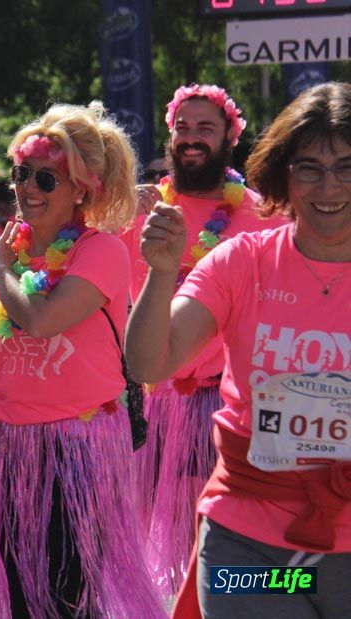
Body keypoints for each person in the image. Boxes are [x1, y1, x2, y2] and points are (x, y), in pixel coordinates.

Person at [126, 81, 351, 619]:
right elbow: (148, 363)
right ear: (283, 173)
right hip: (248, 545)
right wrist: (161, 275)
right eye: (309, 167)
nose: (329, 186)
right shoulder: (242, 261)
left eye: (346, 166)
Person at [0, 102, 163, 618]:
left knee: (67, 591)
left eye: (47, 178)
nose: (28, 189)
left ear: (81, 189)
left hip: (80, 446)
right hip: (12, 444)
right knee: (22, 590)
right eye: (22, 174)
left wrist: (2, 271)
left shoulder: (99, 251)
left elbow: (41, 320)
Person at [125, 84, 285, 594]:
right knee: (148, 541)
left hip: (223, 403)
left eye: (206, 129)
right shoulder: (141, 215)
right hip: (152, 400)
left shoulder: (261, 216)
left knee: (218, 540)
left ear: (230, 139)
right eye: (183, 129)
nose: (192, 139)